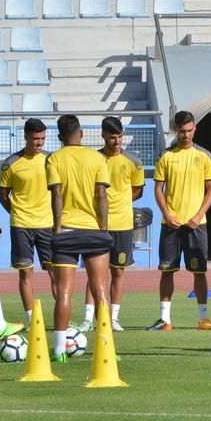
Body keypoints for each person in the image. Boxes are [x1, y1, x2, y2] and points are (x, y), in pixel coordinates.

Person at [46, 114, 113, 362]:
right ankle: (107, 349)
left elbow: (57, 195)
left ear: (59, 136)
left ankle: (59, 350)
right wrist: (104, 228)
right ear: (82, 134)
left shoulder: (54, 158)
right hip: (94, 231)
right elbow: (101, 195)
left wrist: (57, 227)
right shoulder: (97, 158)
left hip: (67, 232)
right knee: (100, 290)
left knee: (64, 291)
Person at [148, 111, 211, 331]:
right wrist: (167, 215)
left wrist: (198, 216)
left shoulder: (204, 155)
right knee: (167, 270)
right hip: (171, 224)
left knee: (199, 271)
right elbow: (158, 189)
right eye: (182, 131)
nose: (186, 135)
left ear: (194, 128)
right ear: (175, 130)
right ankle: (165, 319)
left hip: (197, 224)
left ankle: (203, 318)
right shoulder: (166, 156)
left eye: (189, 130)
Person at [78, 117, 145, 332]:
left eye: (119, 136)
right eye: (112, 137)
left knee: (118, 271)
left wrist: (119, 204)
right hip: (97, 225)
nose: (117, 141)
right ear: (103, 135)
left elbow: (137, 190)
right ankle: (88, 318)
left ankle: (113, 317)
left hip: (123, 225)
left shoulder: (133, 162)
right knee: (94, 272)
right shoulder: (94, 160)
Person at [0, 118, 58, 328]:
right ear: (25, 136)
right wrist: (18, 213)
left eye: (42, 138)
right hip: (21, 225)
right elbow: (3, 196)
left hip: (47, 225)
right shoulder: (11, 164)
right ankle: (32, 319)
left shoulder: (52, 160)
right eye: (35, 139)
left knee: (55, 271)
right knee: (26, 272)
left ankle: (61, 317)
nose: (39, 143)